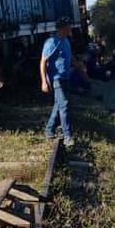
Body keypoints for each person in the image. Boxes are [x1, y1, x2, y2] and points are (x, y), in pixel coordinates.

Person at [40, 17, 74, 148]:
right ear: (61, 29)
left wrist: (78, 65)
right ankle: (67, 136)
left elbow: (69, 57)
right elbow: (43, 62)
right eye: (67, 27)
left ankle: (49, 130)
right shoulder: (51, 42)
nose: (69, 29)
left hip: (64, 77)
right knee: (64, 104)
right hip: (56, 78)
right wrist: (44, 81)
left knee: (58, 104)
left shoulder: (65, 41)